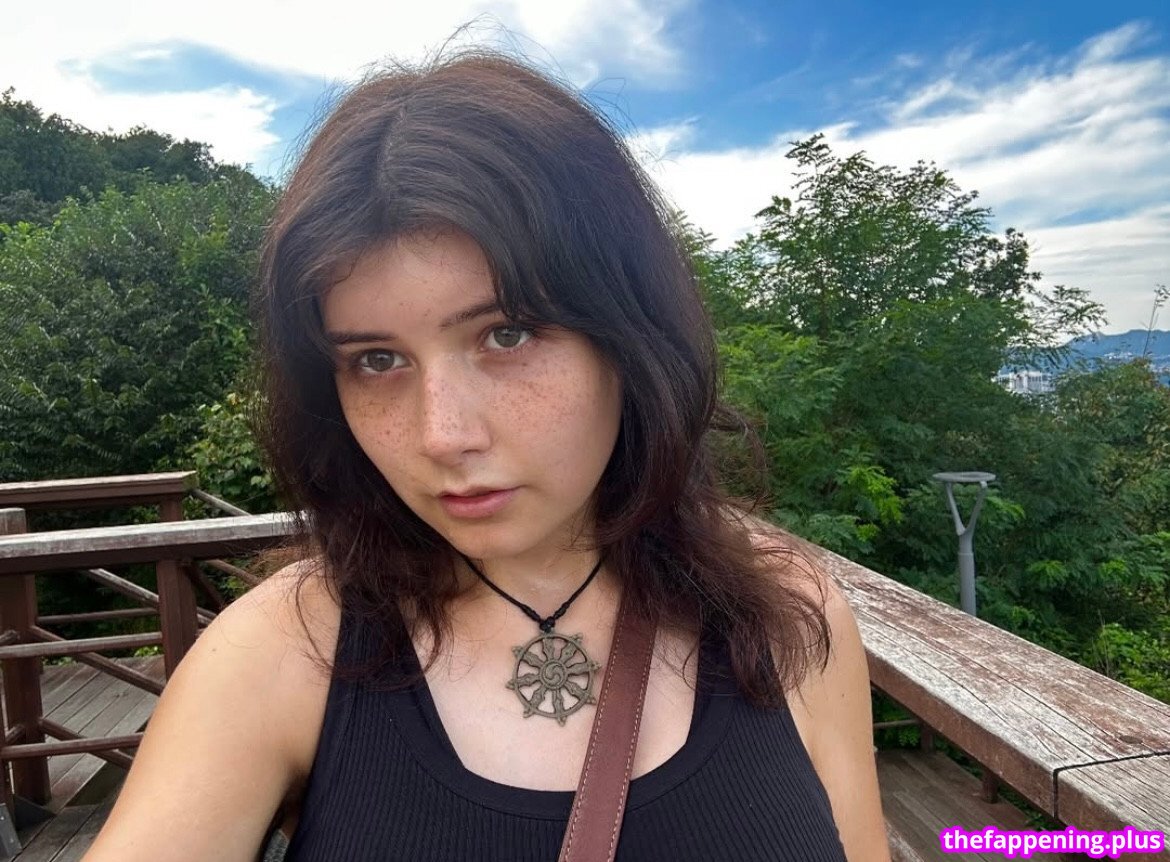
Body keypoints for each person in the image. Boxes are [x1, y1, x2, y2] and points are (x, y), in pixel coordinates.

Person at [83, 50, 890, 862]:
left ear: (629, 338)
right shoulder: (277, 656)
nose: (442, 435)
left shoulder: (790, 614)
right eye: (376, 360)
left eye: (506, 335)